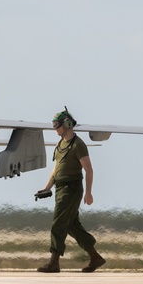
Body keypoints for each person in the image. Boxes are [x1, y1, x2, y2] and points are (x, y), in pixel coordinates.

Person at [36, 109, 106, 274]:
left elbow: (88, 169)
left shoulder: (78, 145)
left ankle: (54, 262)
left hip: (71, 189)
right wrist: (47, 187)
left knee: (58, 223)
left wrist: (88, 193)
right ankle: (95, 257)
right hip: (61, 189)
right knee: (72, 226)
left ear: (67, 124)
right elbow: (56, 169)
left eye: (57, 125)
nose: (55, 129)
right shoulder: (60, 144)